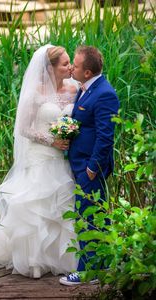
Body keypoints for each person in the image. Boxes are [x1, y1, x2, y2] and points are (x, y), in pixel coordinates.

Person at [0, 44, 78, 279]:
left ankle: (62, 258)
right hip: (40, 156)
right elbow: (23, 128)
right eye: (64, 63)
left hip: (62, 160)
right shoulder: (37, 93)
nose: (70, 65)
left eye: (70, 61)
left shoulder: (74, 89)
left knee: (60, 206)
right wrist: (52, 141)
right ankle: (34, 261)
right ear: (50, 68)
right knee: (37, 207)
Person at [59, 46, 120, 286]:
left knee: (88, 217)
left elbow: (106, 137)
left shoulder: (105, 93)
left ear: (87, 72)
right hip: (80, 164)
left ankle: (86, 272)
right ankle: (102, 267)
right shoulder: (86, 89)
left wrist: (92, 169)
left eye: (75, 64)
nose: (71, 66)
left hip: (90, 168)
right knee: (95, 216)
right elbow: (85, 123)